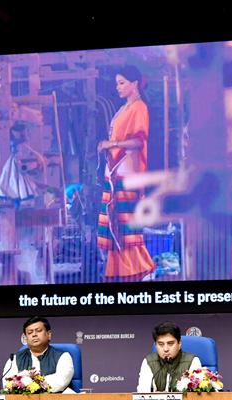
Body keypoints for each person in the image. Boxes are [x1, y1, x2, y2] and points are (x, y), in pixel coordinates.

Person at [96, 65, 156, 282]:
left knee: (124, 224)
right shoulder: (124, 108)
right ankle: (120, 274)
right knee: (115, 223)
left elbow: (139, 141)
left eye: (122, 83)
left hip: (127, 172)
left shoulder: (139, 108)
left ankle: (137, 271)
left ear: (135, 84)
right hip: (114, 171)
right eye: (117, 83)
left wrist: (111, 143)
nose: (118, 87)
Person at [1, 316, 74, 393]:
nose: (34, 335)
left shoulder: (63, 357)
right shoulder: (15, 359)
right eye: (30, 332)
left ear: (49, 334)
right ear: (25, 338)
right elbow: (7, 384)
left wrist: (27, 383)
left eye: (38, 331)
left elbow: (60, 382)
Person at [137, 321, 202, 393]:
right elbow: (142, 393)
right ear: (156, 345)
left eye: (170, 343)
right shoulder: (148, 361)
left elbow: (194, 395)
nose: (165, 349)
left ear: (179, 344)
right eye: (161, 344)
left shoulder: (192, 361)